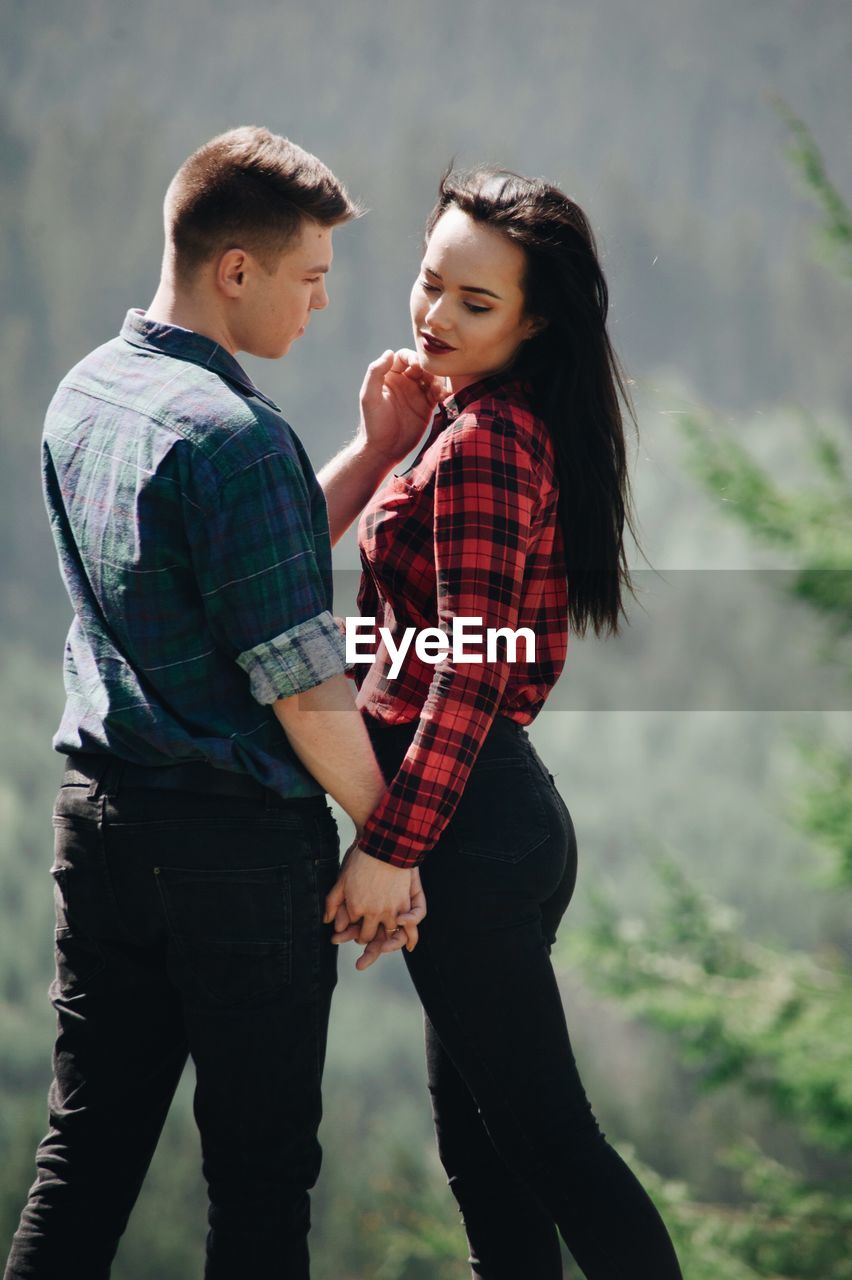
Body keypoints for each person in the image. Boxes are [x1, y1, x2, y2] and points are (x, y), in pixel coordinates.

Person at [4, 125, 433, 1280]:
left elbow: (232, 575)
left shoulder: (88, 391)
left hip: (100, 826)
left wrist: (373, 448)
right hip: (236, 856)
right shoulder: (237, 436)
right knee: (258, 1177)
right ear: (234, 269)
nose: (319, 307)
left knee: (81, 1156)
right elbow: (300, 681)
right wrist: (392, 840)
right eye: (310, 280)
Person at [325, 168, 685, 1278]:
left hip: (470, 827)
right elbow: (406, 645)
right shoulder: (468, 420)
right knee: (490, 1161)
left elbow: (469, 675)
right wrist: (384, 447)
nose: (434, 314)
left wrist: (392, 846)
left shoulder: (486, 441)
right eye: (432, 282)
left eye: (474, 303)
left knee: (547, 1147)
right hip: (480, 819)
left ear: (534, 321)